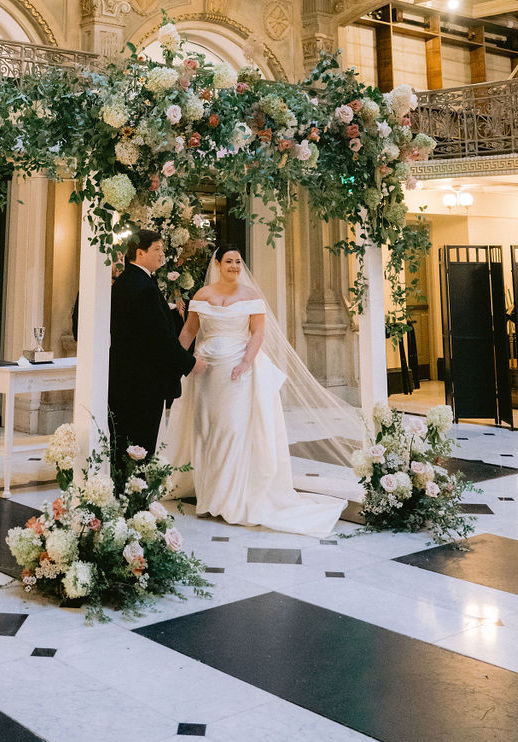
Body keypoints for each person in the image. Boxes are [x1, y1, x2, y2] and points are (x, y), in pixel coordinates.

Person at [162, 244, 363, 534]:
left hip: (237, 371)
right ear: (217, 264)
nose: (234, 266)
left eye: (238, 262)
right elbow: (189, 331)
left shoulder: (251, 296)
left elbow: (258, 334)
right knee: (205, 430)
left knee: (232, 431)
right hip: (205, 373)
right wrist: (181, 360)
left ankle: (231, 499)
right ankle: (209, 499)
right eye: (229, 261)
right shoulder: (202, 295)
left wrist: (245, 363)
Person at [108, 229, 205, 456]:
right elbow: (158, 338)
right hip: (143, 382)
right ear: (140, 253)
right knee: (140, 445)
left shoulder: (126, 281)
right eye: (157, 250)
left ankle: (127, 489)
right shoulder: (144, 288)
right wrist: (189, 363)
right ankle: (135, 490)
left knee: (124, 443)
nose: (162, 254)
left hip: (126, 379)